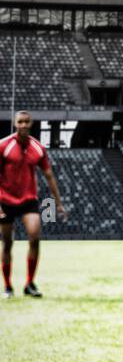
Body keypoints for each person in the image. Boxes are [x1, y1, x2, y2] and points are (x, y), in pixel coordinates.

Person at [0, 111, 68, 298]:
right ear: (15, 124)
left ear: (31, 124)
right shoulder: (3, 146)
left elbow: (49, 176)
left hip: (29, 199)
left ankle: (29, 283)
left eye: (26, 122)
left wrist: (58, 203)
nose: (23, 125)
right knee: (7, 243)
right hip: (5, 200)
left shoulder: (38, 148)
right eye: (20, 122)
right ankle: (7, 287)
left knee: (35, 238)